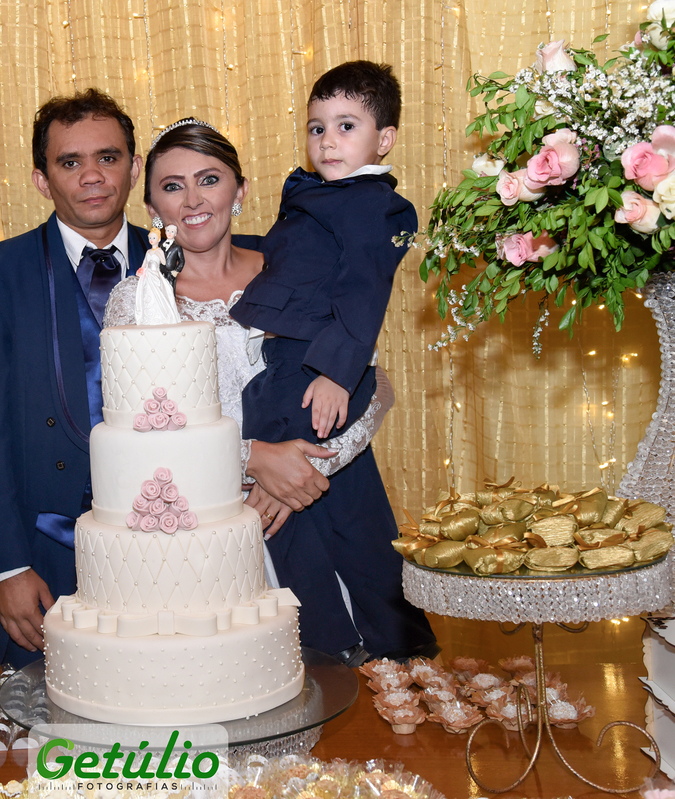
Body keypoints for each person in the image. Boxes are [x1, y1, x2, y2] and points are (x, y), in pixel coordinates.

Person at [102, 118, 408, 663]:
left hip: (325, 503)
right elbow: (140, 437)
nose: (193, 200)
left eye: (210, 179)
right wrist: (253, 459)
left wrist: (303, 472)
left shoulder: (299, 268)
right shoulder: (139, 302)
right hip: (210, 533)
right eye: (172, 186)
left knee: (369, 677)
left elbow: (372, 383)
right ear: (151, 208)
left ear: (240, 191)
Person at [229, 61, 438, 663]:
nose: (327, 141)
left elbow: (364, 290)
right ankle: (334, 643)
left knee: (337, 516)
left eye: (347, 126)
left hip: (315, 368)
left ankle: (382, 645)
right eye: (317, 128)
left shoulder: (375, 206)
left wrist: (335, 374)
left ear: (385, 139)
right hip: (281, 366)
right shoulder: (316, 194)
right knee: (301, 514)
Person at [0, 89, 151, 668]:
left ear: (135, 167)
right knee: (51, 717)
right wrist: (7, 567)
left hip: (171, 541)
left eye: (108, 157)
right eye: (70, 162)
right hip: (46, 552)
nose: (92, 176)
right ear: (42, 180)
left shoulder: (182, 261)